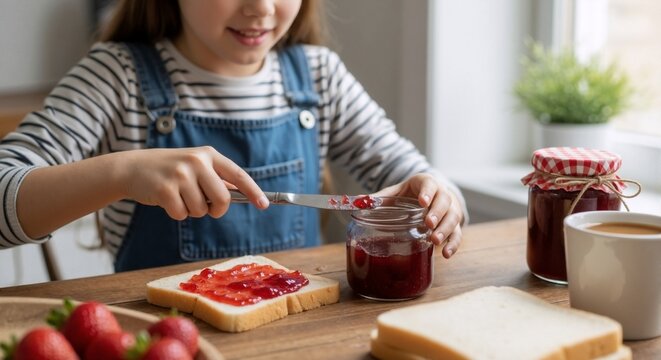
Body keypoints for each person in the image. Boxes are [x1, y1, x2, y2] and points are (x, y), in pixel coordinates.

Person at [0, 0, 467, 272]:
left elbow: (415, 177)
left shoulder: (319, 76)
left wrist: (439, 195)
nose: (260, 8)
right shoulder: (116, 76)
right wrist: (123, 172)